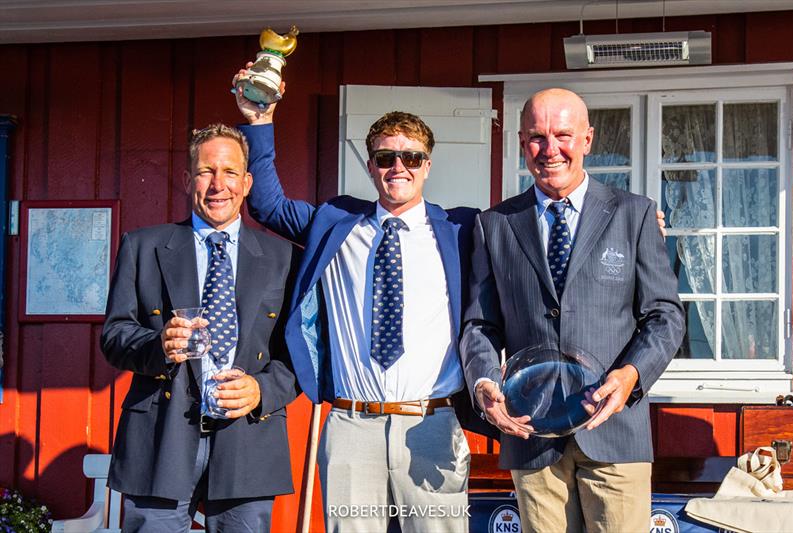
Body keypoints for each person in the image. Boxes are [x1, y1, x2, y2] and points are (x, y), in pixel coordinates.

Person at [233, 70, 498, 532]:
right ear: (371, 165)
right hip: (353, 423)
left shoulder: (461, 230)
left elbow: (528, 237)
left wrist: (634, 227)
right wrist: (260, 119)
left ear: (428, 164)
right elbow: (267, 205)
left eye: (412, 157)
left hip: (430, 424)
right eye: (386, 157)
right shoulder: (334, 222)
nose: (400, 167)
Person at [460, 88, 685, 533]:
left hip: (614, 428)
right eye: (537, 138)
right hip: (531, 434)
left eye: (562, 134)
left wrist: (632, 375)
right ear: (522, 142)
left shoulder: (633, 215)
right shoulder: (494, 225)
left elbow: (665, 316)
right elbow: (480, 324)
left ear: (587, 139)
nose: (550, 150)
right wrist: (484, 381)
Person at [101, 123, 299, 533]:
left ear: (246, 183)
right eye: (207, 171)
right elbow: (115, 335)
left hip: (248, 438)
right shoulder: (143, 246)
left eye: (229, 173)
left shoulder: (283, 258)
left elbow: (302, 353)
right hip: (160, 438)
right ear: (188, 179)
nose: (217, 185)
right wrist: (158, 344)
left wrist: (263, 389)